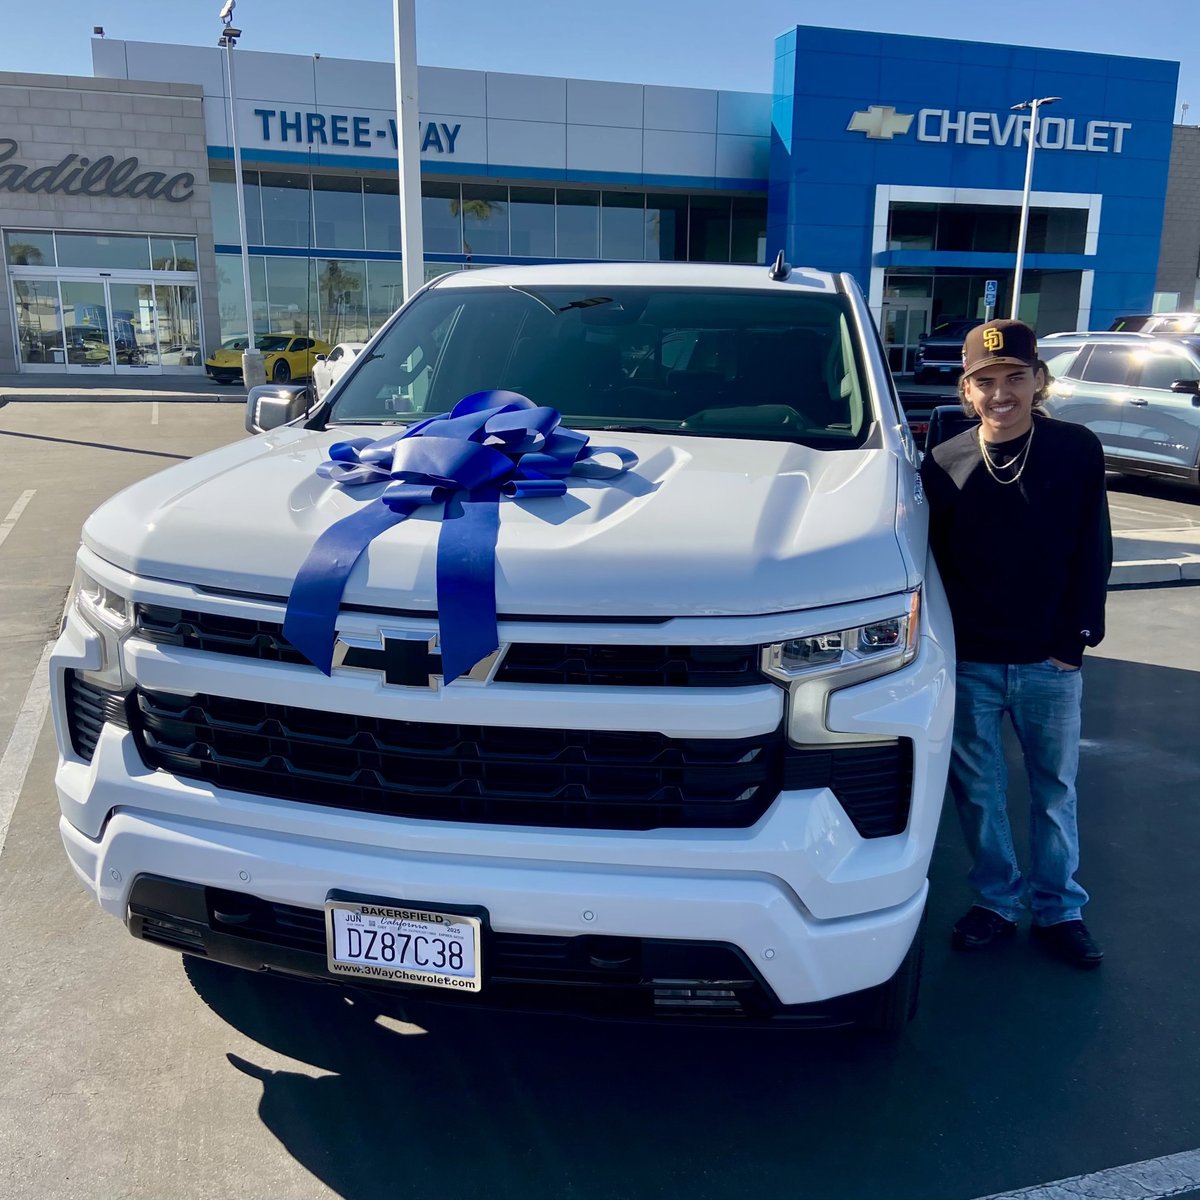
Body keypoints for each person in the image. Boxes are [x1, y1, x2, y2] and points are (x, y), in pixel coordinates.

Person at [920, 318, 1112, 969]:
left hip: (1048, 662)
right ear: (966, 389)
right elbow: (930, 564)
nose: (1001, 393)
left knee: (1054, 790)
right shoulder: (944, 463)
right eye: (985, 382)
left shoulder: (1077, 449)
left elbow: (1093, 549)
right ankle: (997, 901)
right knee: (979, 793)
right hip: (971, 660)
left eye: (1014, 378)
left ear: (1038, 381)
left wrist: (1074, 642)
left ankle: (1060, 908)